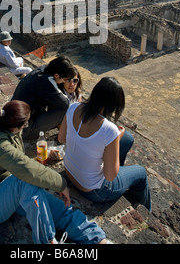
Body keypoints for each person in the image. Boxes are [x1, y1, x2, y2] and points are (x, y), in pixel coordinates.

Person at [0, 101, 111, 244]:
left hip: (10, 190)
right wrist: (61, 184)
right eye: (25, 125)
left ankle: (96, 238)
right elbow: (26, 168)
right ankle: (47, 240)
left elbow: (23, 165)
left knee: (58, 207)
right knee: (27, 179)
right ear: (16, 125)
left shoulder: (8, 128)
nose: (26, 127)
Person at [58, 77, 151, 211]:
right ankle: (145, 211)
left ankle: (122, 182)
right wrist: (116, 140)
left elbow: (61, 138)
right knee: (141, 172)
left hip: (69, 171)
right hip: (92, 189)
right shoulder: (109, 130)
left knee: (128, 139)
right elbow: (110, 176)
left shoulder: (73, 107)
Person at [12, 56, 77, 139]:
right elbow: (66, 104)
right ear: (56, 75)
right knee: (64, 108)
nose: (63, 82)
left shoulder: (42, 70)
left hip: (15, 119)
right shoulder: (47, 81)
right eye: (64, 80)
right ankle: (33, 133)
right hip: (23, 128)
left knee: (56, 100)